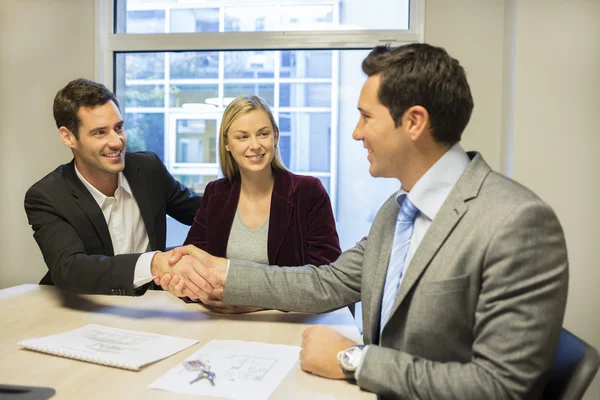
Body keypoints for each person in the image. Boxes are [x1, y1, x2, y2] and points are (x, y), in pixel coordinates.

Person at [159, 43, 569, 399]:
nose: (356, 133)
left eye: (366, 117)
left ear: (414, 122)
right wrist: (222, 272)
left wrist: (353, 359)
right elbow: (328, 281)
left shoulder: (517, 222)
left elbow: (501, 388)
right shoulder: (398, 210)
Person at [24, 78, 207, 296]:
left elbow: (206, 215)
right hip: (81, 311)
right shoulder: (47, 196)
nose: (117, 142)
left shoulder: (149, 170)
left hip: (149, 306)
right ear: (68, 137)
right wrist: (154, 263)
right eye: (100, 132)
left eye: (118, 127)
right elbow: (70, 269)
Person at [179, 95, 341, 313]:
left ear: (275, 135)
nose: (255, 145)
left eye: (263, 134)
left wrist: (248, 303)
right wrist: (204, 295)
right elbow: (191, 265)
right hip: (221, 325)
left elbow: (328, 278)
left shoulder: (308, 192)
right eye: (242, 137)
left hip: (290, 325)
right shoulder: (216, 193)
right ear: (227, 143)